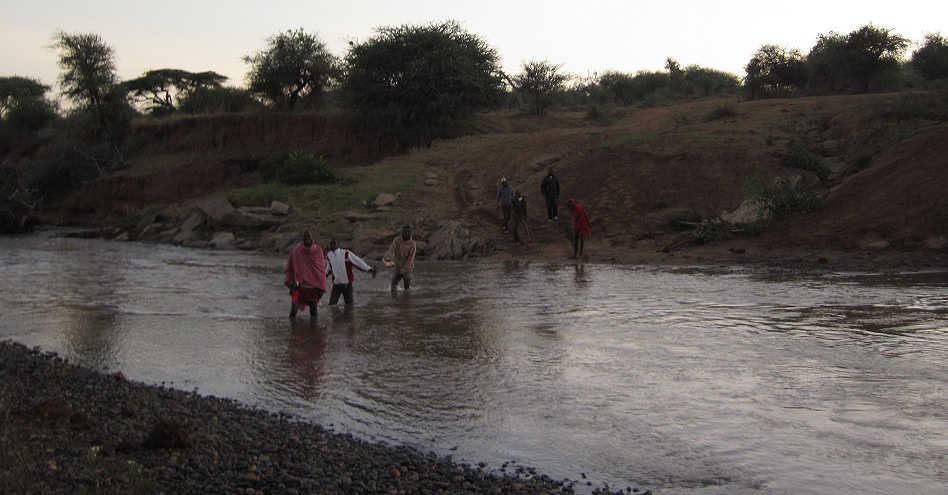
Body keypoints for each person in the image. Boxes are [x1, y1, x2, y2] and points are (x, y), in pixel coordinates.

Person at [284, 229, 327, 317]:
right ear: (302, 238)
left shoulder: (318, 251)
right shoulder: (296, 250)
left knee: (314, 312)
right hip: (299, 287)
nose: (307, 238)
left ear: (312, 237)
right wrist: (290, 283)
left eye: (309, 236)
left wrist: (322, 288)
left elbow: (321, 271)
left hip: (313, 288)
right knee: (293, 311)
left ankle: (313, 329)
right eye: (305, 236)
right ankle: (293, 329)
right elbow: (290, 267)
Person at [325, 238, 377, 305]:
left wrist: (369, 269)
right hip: (336, 285)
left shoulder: (345, 253)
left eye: (334, 243)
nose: (333, 245)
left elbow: (357, 261)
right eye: (331, 244)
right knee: (331, 305)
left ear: (338, 245)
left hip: (347, 285)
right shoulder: (329, 255)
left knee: (349, 305)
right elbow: (329, 269)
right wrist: (323, 277)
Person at [383, 225, 417, 291]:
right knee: (393, 287)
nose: (407, 233)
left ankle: (407, 295)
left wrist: (403, 270)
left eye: (408, 232)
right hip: (397, 267)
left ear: (411, 233)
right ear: (402, 232)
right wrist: (387, 257)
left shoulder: (413, 244)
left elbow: (410, 260)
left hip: (408, 268)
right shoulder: (397, 240)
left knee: (407, 279)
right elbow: (391, 249)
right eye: (405, 232)